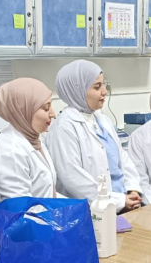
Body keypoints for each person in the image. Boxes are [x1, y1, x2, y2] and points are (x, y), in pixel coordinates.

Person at [47, 60, 143, 212]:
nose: (104, 92)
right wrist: (119, 201)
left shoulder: (102, 120)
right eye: (97, 87)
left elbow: (122, 159)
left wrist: (132, 189)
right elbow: (73, 178)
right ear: (77, 90)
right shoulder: (64, 127)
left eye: (103, 85)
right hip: (93, 211)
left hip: (123, 203)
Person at [0, 78, 62, 203]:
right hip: (31, 215)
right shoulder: (11, 153)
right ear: (23, 111)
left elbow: (47, 193)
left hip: (43, 213)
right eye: (46, 108)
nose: (53, 114)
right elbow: (21, 208)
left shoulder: (32, 139)